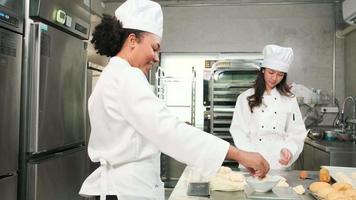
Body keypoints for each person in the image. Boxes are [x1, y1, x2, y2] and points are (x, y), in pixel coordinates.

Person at [79, 0, 269, 199]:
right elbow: (168, 131)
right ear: (132, 40)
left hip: (119, 188)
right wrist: (240, 154)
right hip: (128, 191)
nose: (156, 57)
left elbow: (151, 128)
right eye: (154, 47)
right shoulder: (127, 76)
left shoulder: (111, 74)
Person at [230, 44, 307, 170]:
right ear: (263, 70)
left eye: (280, 74)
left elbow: (296, 132)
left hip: (278, 163)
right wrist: (250, 157)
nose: (274, 78)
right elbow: (238, 131)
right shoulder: (245, 97)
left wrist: (289, 149)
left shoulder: (289, 99)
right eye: (271, 72)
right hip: (251, 161)